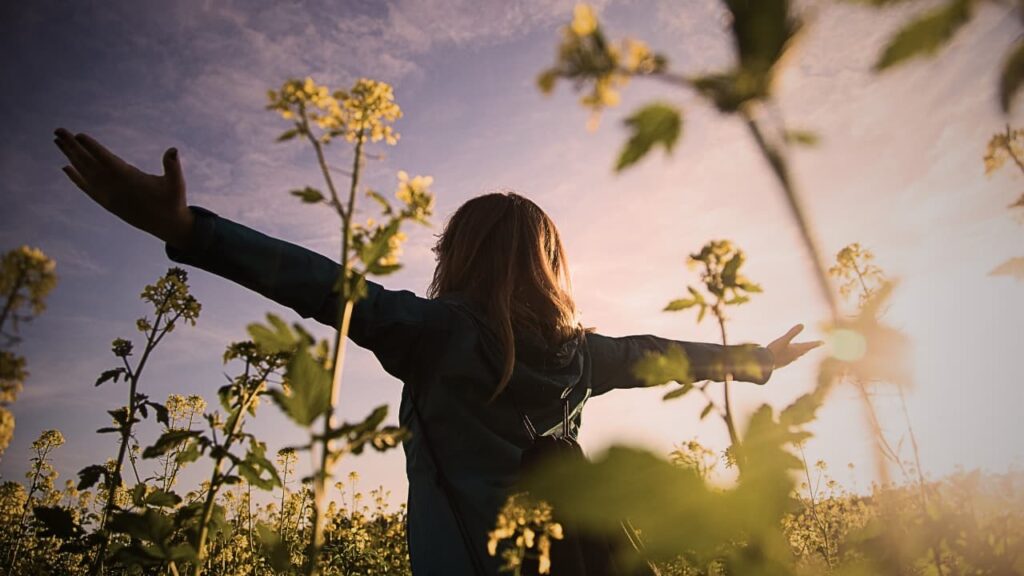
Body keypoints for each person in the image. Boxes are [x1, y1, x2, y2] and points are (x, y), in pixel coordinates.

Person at [53, 128, 823, 575]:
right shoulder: (581, 355)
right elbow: (660, 353)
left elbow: (320, 283)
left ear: (456, 255)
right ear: (550, 265)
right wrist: (750, 359)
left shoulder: (434, 332)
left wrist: (191, 230)